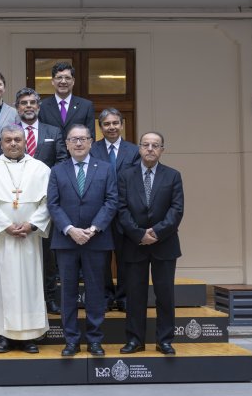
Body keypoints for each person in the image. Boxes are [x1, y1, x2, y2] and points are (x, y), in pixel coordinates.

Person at [47, 124, 117, 357]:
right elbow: (53, 204)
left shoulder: (106, 168)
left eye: (83, 139)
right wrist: (70, 229)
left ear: (90, 142)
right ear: (66, 144)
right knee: (67, 293)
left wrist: (93, 229)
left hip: (96, 240)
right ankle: (71, 341)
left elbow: (111, 201)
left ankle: (95, 340)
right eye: (73, 139)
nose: (78, 143)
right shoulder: (57, 170)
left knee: (95, 292)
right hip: (66, 241)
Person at [0, 125, 51, 354]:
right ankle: (3, 335)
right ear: (1, 143)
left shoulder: (40, 168)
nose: (13, 143)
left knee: (29, 286)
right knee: (1, 286)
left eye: (17, 139)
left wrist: (31, 225)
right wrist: (5, 226)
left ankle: (29, 335)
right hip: (2, 239)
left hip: (29, 239)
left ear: (25, 142)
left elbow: (48, 202)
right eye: (8, 140)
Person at [117, 131, 184, 356]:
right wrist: (139, 234)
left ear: (162, 150)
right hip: (134, 243)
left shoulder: (173, 175)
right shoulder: (125, 176)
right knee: (135, 295)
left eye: (155, 145)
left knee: (165, 295)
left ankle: (164, 340)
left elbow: (177, 210)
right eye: (146, 145)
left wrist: (156, 232)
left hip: (164, 243)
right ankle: (134, 340)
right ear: (139, 148)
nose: (150, 149)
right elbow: (121, 209)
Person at [15, 87, 66, 315]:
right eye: (23, 103)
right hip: (17, 200)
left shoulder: (53, 131)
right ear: (17, 108)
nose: (28, 106)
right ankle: (23, 298)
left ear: (38, 106)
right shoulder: (11, 132)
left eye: (32, 102)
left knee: (47, 253)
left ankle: (49, 298)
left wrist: (49, 185)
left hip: (46, 199)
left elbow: (62, 161)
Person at [90, 108, 141, 312]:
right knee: (101, 258)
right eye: (106, 124)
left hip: (124, 213)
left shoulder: (134, 151)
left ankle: (123, 297)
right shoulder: (92, 149)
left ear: (121, 124)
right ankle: (105, 297)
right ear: (100, 127)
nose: (111, 127)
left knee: (125, 257)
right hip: (100, 212)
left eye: (115, 123)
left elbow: (135, 181)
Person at [38, 62, 95, 142]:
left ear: (73, 81)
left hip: (77, 149)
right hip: (51, 150)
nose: (63, 81)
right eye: (59, 77)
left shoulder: (86, 106)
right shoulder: (42, 106)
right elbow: (40, 136)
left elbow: (91, 138)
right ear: (53, 81)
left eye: (67, 78)